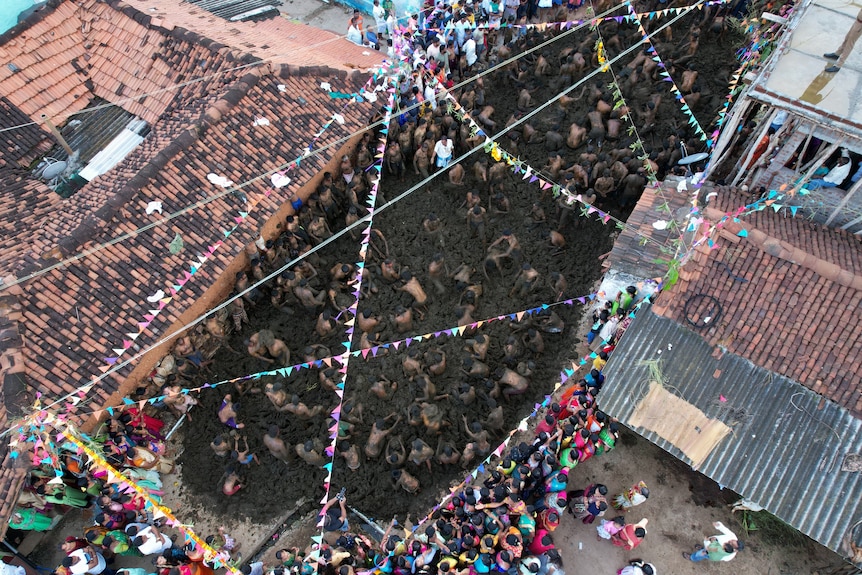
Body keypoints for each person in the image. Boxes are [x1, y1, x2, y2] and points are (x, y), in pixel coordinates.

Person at [823, 7, 862, 72]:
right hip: (858, 21)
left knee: (850, 44)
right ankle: (837, 54)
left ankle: (839, 65)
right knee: (847, 38)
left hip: (860, 25)